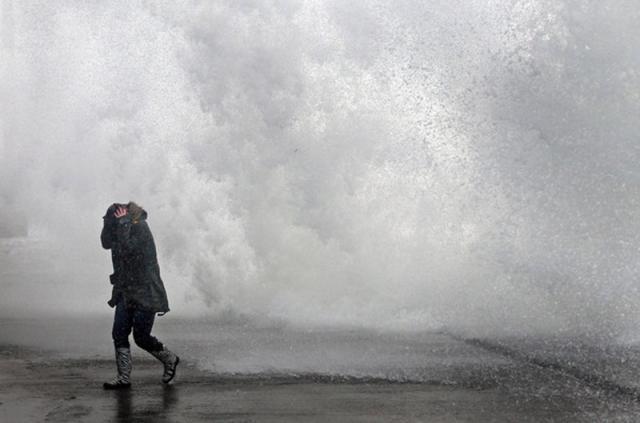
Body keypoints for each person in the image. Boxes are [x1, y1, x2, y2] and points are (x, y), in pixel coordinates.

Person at [100, 201, 179, 389]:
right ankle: (123, 378)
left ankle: (170, 359)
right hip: (125, 291)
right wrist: (108, 223)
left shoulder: (140, 227)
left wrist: (124, 223)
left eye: (114, 220)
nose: (113, 224)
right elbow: (105, 243)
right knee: (119, 333)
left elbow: (129, 251)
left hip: (146, 291)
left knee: (141, 337)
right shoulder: (120, 228)